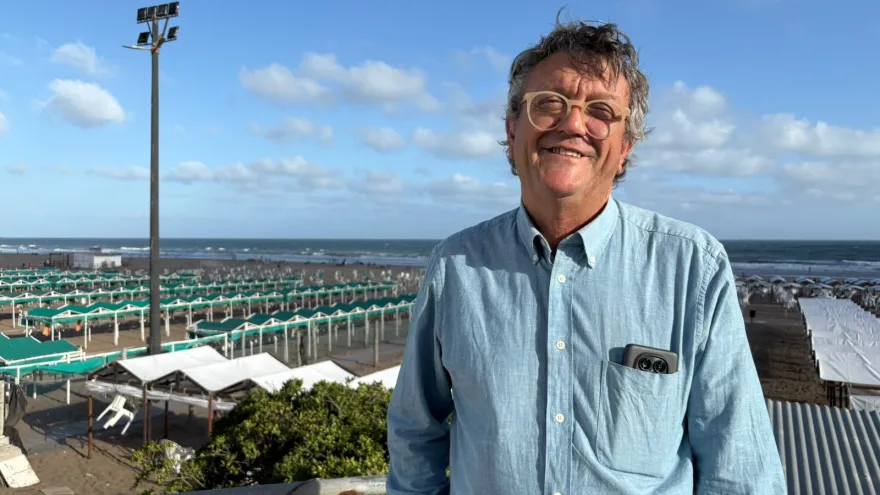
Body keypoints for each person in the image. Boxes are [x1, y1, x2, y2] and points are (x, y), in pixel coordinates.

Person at [386, 16, 786, 495]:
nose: (573, 123)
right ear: (513, 132)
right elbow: (415, 428)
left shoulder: (692, 268)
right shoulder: (456, 268)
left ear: (624, 149)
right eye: (549, 103)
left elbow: (738, 468)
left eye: (600, 110)